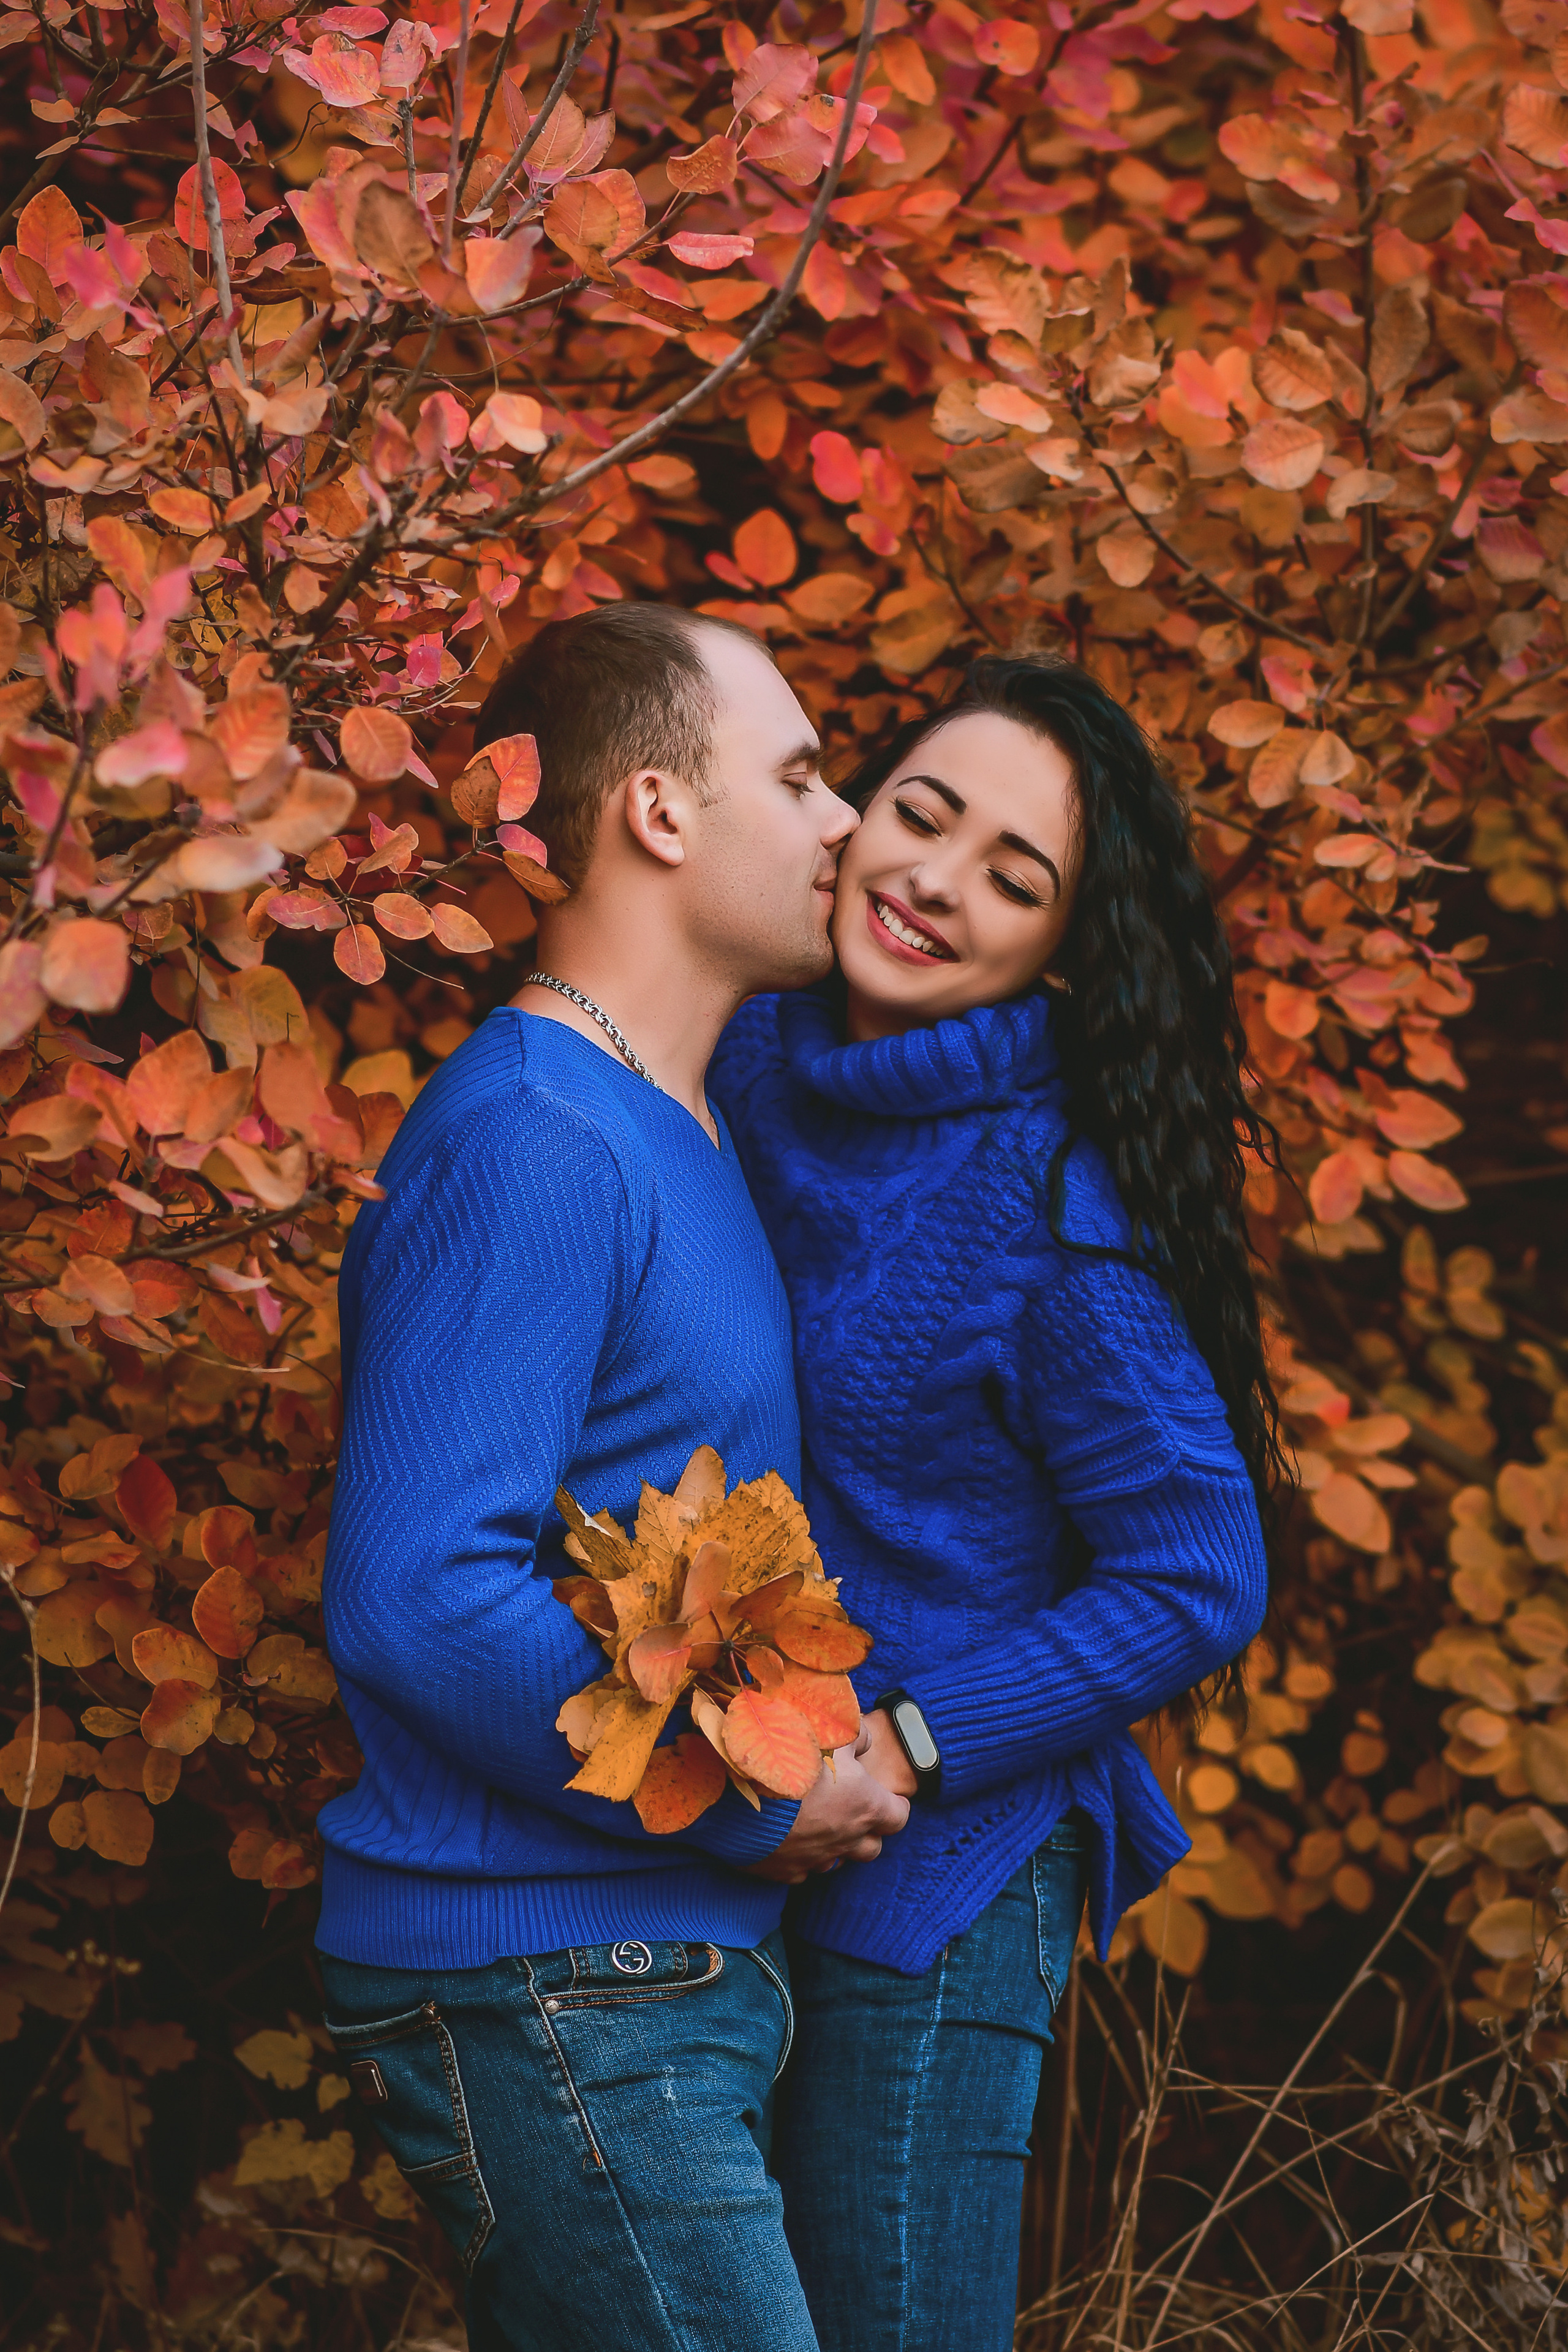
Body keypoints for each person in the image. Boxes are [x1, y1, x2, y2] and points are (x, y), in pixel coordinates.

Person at [314, 604, 908, 2352]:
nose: (845, 823)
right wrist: (756, 1792)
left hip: (640, 1976)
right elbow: (418, 1588)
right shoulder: (536, 1138)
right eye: (798, 775)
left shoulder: (675, 1122)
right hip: (557, 1984)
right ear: (658, 811)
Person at [707, 652, 1280, 2352]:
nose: (937, 883)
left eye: (1013, 880)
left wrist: (915, 1737)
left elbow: (1200, 1567)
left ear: (1057, 948)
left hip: (942, 1863)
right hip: (734, 1819)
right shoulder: (740, 1051)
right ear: (855, 813)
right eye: (923, 816)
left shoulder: (1047, 1204)